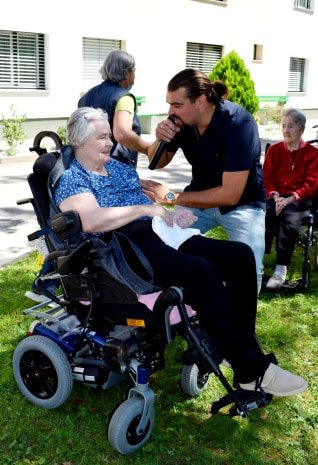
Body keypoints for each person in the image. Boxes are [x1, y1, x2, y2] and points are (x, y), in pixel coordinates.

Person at [49, 106, 307, 399]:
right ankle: (252, 372)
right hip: (121, 248)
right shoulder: (73, 179)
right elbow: (92, 220)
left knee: (240, 257)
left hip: (159, 232)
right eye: (100, 138)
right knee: (200, 272)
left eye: (109, 136)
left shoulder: (119, 168)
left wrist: (172, 215)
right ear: (79, 141)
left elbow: (157, 198)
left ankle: (236, 346)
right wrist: (147, 209)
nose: (109, 143)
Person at [141, 68, 266, 294]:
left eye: (177, 105)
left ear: (200, 101)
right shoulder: (182, 121)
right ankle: (180, 309)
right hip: (199, 197)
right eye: (169, 104)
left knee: (250, 266)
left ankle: (242, 327)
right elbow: (157, 162)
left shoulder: (238, 123)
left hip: (243, 203)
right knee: (164, 241)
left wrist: (171, 197)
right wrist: (159, 140)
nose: (170, 111)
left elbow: (231, 194)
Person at [263, 108, 318, 289]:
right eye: (283, 125)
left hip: (301, 199)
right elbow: (267, 177)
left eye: (291, 126)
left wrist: (290, 199)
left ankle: (281, 269)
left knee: (288, 217)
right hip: (276, 196)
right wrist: (276, 195)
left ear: (301, 129)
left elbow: (311, 183)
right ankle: (257, 259)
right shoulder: (275, 150)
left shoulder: (312, 154)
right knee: (263, 213)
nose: (285, 130)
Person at [78, 50, 151, 168]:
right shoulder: (124, 97)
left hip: (87, 165)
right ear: (127, 73)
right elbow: (122, 134)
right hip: (114, 167)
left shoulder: (86, 97)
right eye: (134, 70)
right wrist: (148, 149)